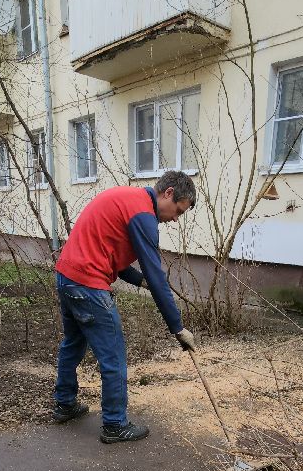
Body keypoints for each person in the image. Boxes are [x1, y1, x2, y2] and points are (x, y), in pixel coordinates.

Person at [52, 170, 196, 443]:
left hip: (67, 276)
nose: (176, 219)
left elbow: (109, 250)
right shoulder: (144, 215)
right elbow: (156, 273)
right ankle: (115, 424)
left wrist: (138, 280)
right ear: (167, 194)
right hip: (88, 285)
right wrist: (178, 328)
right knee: (113, 356)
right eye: (178, 210)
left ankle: (64, 404)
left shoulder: (128, 199)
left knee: (73, 344)